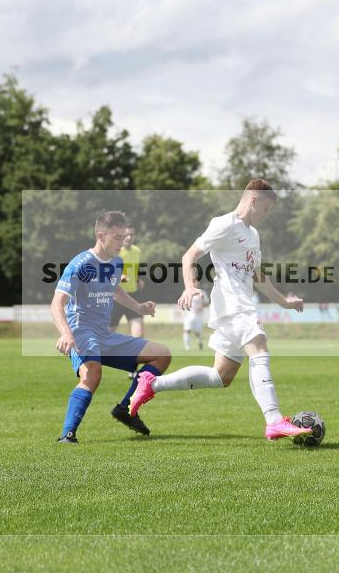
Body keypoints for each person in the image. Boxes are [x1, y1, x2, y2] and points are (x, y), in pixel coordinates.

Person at [129, 179, 312, 441]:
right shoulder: (224, 224)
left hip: (238, 308)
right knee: (259, 349)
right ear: (254, 200)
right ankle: (274, 420)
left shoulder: (253, 234)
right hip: (233, 307)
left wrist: (285, 302)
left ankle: (150, 383)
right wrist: (190, 286)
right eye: (266, 209)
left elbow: (258, 276)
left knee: (220, 376)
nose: (266, 215)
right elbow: (189, 255)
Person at [52, 211, 172, 443]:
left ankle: (125, 409)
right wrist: (66, 332)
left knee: (162, 355)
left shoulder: (117, 263)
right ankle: (68, 434)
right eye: (117, 237)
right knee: (93, 373)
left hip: (105, 334)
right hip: (81, 330)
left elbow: (115, 290)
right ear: (100, 236)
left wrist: (138, 308)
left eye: (124, 236)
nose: (123, 241)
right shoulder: (80, 264)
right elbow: (57, 302)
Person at [109, 224, 145, 338]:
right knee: (107, 335)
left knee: (138, 335)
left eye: (131, 235)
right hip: (116, 297)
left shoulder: (137, 251)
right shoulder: (115, 252)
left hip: (133, 296)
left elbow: (135, 270)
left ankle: (134, 356)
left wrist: (138, 280)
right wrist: (123, 278)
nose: (129, 237)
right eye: (126, 235)